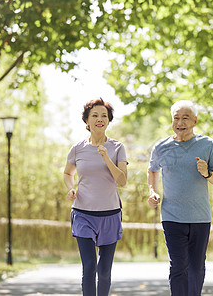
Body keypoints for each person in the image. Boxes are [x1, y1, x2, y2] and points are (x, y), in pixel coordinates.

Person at [147, 100, 213, 296]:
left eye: (185, 118)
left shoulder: (207, 145)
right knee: (178, 266)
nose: (180, 122)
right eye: (176, 118)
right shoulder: (161, 147)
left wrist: (207, 173)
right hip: (172, 216)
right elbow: (152, 170)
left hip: (200, 217)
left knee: (196, 268)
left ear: (195, 121)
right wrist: (152, 191)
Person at [63, 98, 128, 296]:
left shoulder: (117, 148)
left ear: (108, 121)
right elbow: (67, 173)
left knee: (104, 270)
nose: (100, 119)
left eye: (104, 116)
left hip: (110, 214)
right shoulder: (77, 148)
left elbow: (122, 180)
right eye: (95, 115)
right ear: (87, 121)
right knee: (90, 266)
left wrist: (106, 158)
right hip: (83, 213)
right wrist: (71, 188)